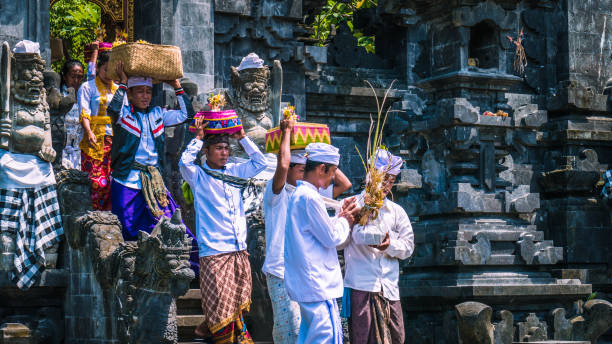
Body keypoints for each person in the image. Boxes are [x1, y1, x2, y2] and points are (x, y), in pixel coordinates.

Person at [179, 115, 267, 343]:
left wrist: (243, 138)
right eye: (219, 148)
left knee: (234, 304)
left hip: (238, 250)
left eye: (227, 148)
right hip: (215, 252)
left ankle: (202, 332)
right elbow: (183, 164)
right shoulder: (198, 176)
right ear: (206, 151)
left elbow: (260, 163)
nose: (225, 153)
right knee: (220, 306)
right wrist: (198, 138)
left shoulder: (234, 171)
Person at [262, 122, 351, 343]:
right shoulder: (283, 193)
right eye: (300, 168)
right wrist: (287, 133)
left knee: (304, 333)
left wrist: (322, 156)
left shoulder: (304, 193)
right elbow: (282, 165)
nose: (302, 173)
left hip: (300, 271)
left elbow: (343, 183)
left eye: (305, 168)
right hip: (286, 270)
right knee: (298, 332)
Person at [283, 142, 360, 344]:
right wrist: (346, 219)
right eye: (332, 171)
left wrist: (341, 217)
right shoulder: (309, 197)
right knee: (326, 337)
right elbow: (332, 237)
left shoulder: (302, 195)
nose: (333, 177)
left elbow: (321, 231)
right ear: (321, 168)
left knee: (311, 337)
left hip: (310, 282)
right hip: (317, 283)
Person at [344, 149, 414, 344]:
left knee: (396, 337)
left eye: (390, 181)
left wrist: (389, 245)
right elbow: (339, 242)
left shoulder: (396, 211)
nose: (386, 185)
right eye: (382, 179)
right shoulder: (351, 204)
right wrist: (348, 221)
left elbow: (408, 246)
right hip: (361, 286)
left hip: (389, 288)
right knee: (361, 338)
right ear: (370, 175)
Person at [77, 50, 117, 210]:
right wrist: (89, 132)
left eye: (111, 70)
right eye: (105, 69)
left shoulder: (119, 89)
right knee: (95, 180)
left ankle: (110, 213)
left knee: (112, 178)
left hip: (114, 140)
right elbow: (84, 112)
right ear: (99, 67)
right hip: (94, 139)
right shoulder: (88, 87)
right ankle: (93, 212)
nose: (108, 74)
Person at [60, 59, 85, 169]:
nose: (76, 80)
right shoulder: (59, 94)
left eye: (79, 77)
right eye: (73, 76)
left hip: (78, 151)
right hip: (61, 148)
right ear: (65, 76)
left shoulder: (84, 95)